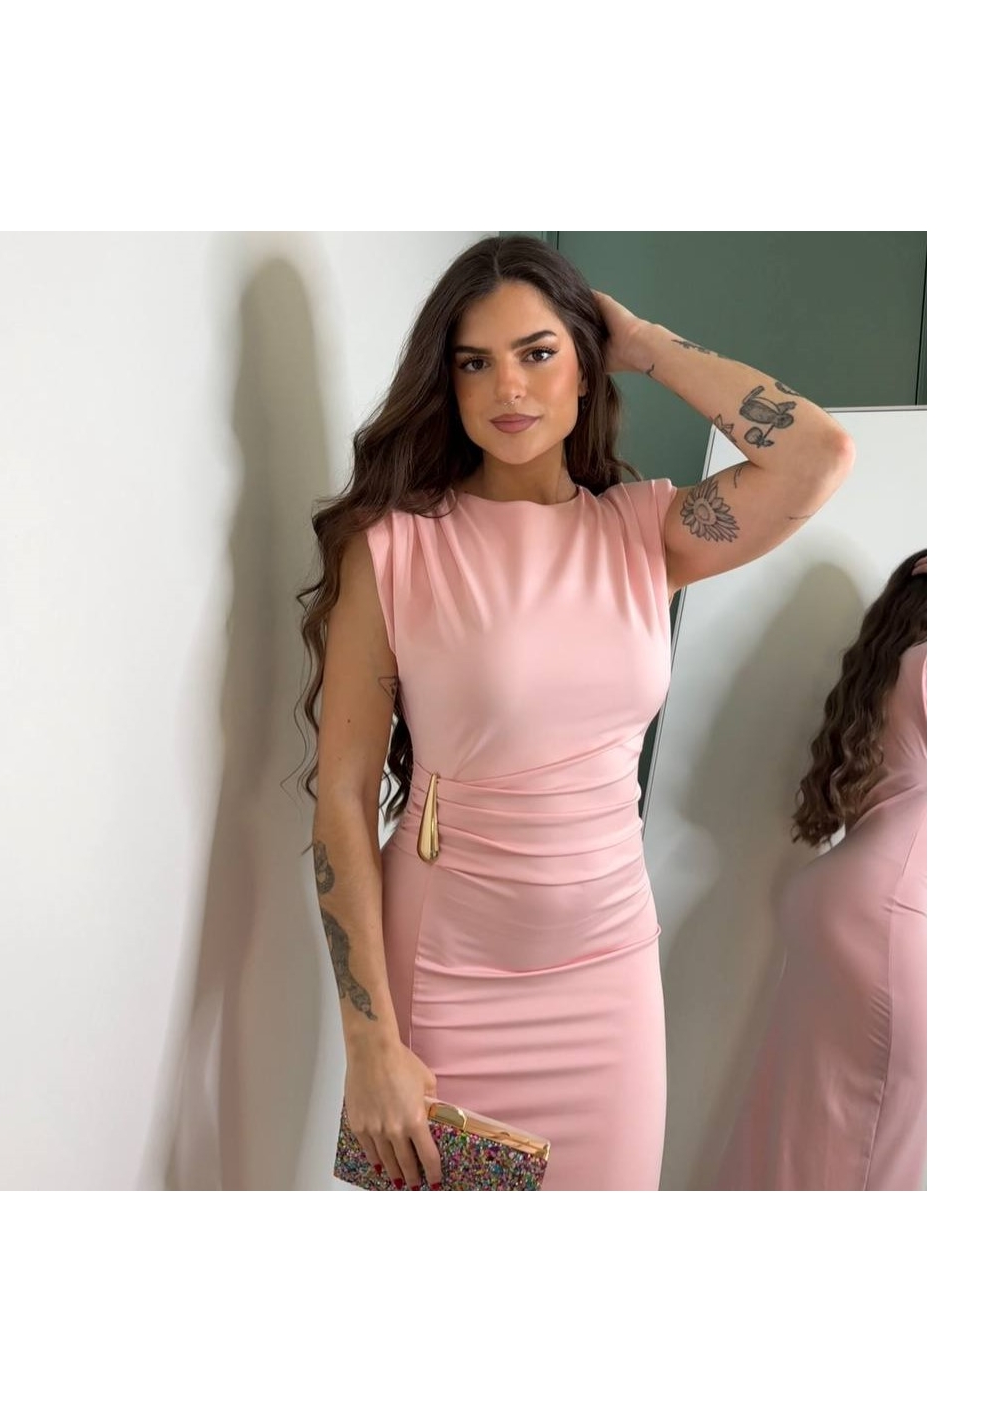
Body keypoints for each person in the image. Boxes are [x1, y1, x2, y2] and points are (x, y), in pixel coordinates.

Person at [297, 235, 854, 1190]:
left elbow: (817, 454)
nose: (507, 387)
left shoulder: (647, 533)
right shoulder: (394, 548)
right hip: (451, 982)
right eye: (475, 362)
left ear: (587, 369)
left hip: (608, 977)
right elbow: (343, 798)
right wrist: (368, 1042)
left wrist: (648, 345)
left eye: (538, 352)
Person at [717, 550, 927, 1190]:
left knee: (797, 1134)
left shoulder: (902, 667)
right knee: (877, 1160)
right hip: (898, 916)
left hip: (852, 904)